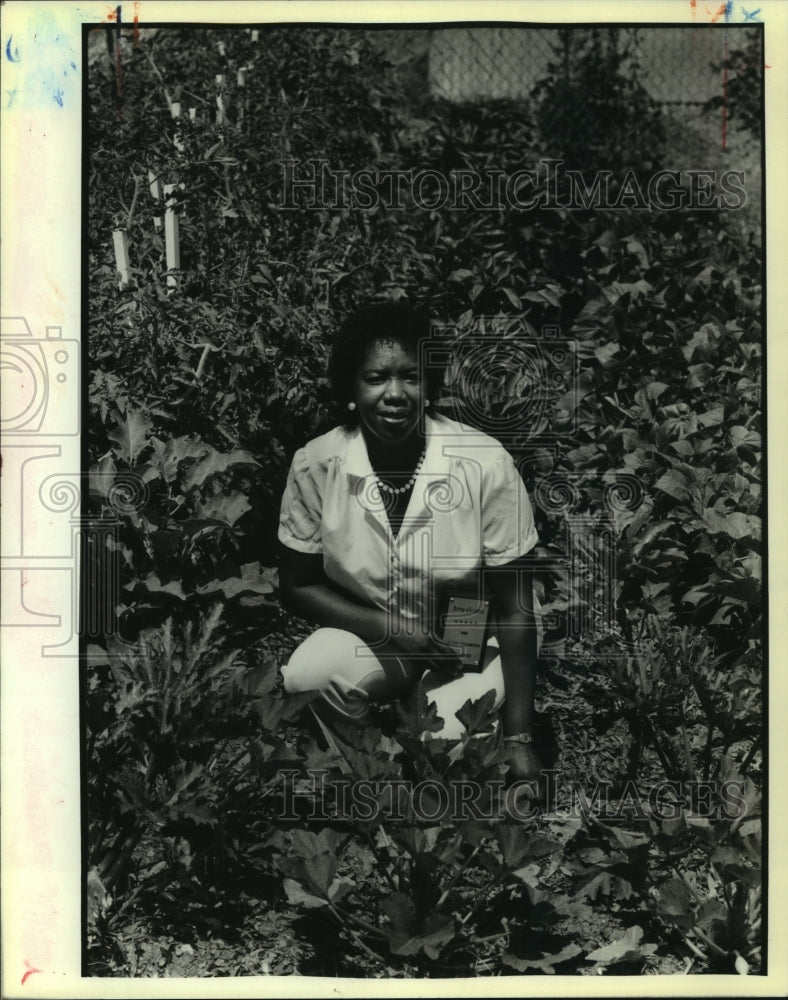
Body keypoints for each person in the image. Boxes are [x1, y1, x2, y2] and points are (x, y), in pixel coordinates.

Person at [277, 301, 544, 784]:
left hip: (467, 632)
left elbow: (515, 605)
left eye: (411, 377)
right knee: (307, 676)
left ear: (431, 386)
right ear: (350, 390)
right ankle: (366, 763)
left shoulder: (483, 463)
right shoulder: (318, 464)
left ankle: (445, 733)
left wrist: (520, 737)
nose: (395, 394)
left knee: (444, 746)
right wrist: (392, 626)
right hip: (378, 630)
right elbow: (297, 585)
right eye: (376, 378)